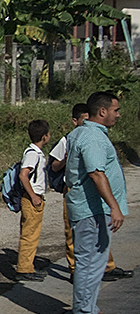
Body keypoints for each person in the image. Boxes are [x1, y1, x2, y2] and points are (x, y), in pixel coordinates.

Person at [65, 91, 127, 314]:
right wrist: (115, 207)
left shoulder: (83, 132)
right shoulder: (92, 137)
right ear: (102, 111)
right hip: (92, 210)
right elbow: (96, 173)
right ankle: (83, 313)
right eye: (115, 110)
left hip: (90, 209)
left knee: (95, 263)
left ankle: (90, 308)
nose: (118, 114)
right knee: (90, 263)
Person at [49, 104, 129, 282]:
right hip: (76, 192)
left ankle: (106, 267)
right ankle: (75, 270)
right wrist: (69, 158)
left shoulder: (94, 137)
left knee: (99, 235)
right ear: (75, 121)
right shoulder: (70, 138)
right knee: (75, 235)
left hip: (93, 196)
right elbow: (55, 165)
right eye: (84, 120)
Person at [15, 120, 51, 282]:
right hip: (31, 199)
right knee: (29, 234)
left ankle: (28, 265)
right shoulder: (33, 153)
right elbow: (23, 175)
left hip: (34, 198)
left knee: (33, 234)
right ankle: (24, 268)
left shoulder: (36, 153)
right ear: (44, 137)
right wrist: (33, 196)